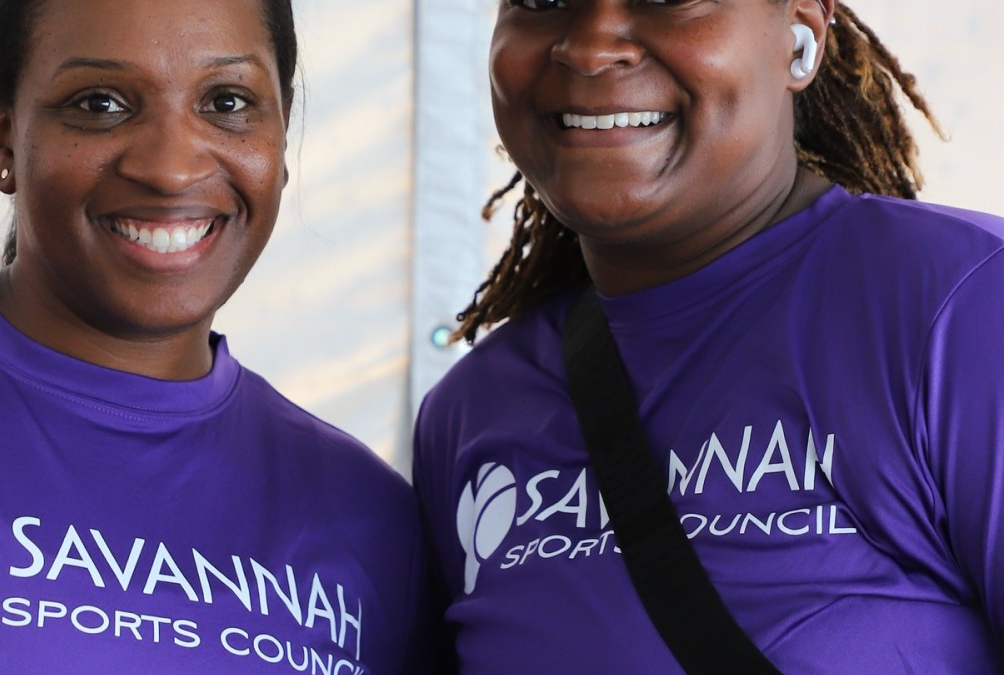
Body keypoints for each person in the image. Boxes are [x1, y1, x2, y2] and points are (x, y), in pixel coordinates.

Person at [0, 0, 430, 672]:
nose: (171, 167)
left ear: (281, 140)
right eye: (101, 103)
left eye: (226, 102)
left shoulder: (371, 516)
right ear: (3, 138)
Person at [413, 0, 1004, 671]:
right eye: (545, 0)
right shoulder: (471, 413)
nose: (591, 45)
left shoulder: (963, 305)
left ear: (800, 31)